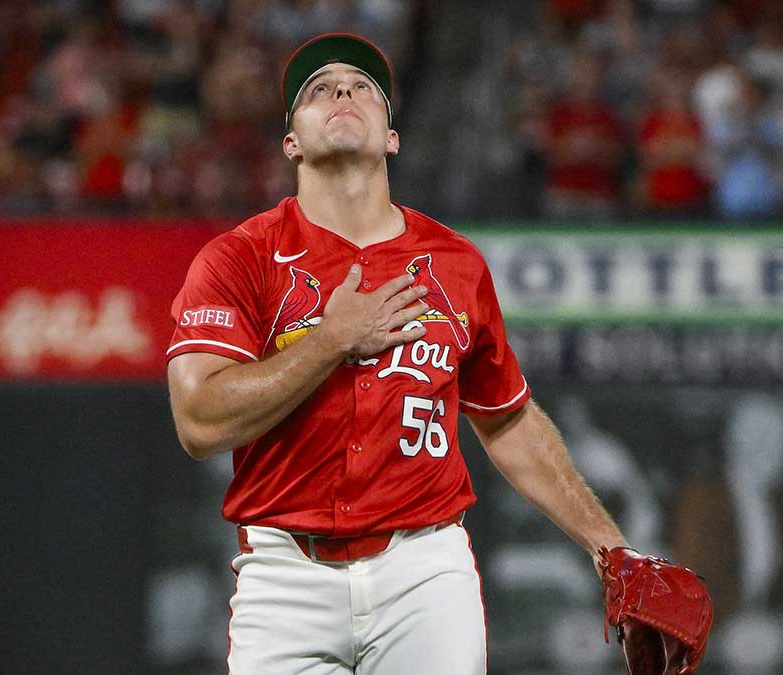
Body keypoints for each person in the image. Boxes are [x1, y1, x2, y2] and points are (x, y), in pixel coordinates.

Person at [165, 34, 632, 675]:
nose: (343, 93)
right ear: (291, 143)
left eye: (363, 87)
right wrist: (331, 340)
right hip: (284, 576)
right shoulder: (239, 259)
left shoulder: (456, 264)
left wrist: (612, 549)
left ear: (392, 137)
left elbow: (507, 417)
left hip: (424, 570)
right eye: (318, 89)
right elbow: (198, 421)